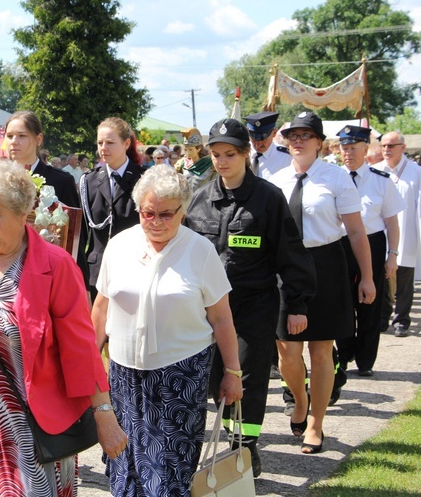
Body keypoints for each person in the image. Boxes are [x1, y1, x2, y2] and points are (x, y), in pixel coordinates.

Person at [0, 160, 127, 496]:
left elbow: (81, 348)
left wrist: (104, 413)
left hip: (37, 428)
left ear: (23, 214)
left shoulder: (55, 265)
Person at [92, 164, 243, 495]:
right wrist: (89, 364)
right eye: (148, 213)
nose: (156, 222)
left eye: (166, 214)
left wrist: (232, 371)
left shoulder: (200, 251)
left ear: (183, 211)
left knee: (169, 471)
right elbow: (101, 309)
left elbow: (221, 318)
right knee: (125, 464)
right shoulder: (119, 246)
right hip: (123, 376)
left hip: (180, 376)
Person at [185, 118, 317, 477]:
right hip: (208, 310)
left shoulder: (268, 198)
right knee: (216, 378)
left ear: (245, 153)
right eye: (215, 154)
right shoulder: (199, 200)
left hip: (254, 304)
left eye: (230, 154)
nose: (222, 161)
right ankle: (232, 432)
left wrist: (297, 304)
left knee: (246, 377)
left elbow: (290, 253)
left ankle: (245, 447)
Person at [270, 112, 375, 455]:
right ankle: (299, 399)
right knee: (286, 349)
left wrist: (368, 277)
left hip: (325, 264)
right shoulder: (275, 179)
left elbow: (357, 232)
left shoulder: (336, 178)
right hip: (285, 267)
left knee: (321, 350)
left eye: (305, 135)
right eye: (292, 135)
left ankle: (316, 421)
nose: (298, 140)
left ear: (318, 142)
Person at [335, 125, 403, 377]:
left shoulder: (380, 181)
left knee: (369, 304)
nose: (348, 153)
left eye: (353, 148)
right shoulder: (333, 177)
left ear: (365, 150)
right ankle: (344, 353)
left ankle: (365, 360)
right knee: (341, 301)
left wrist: (392, 255)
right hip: (340, 245)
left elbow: (391, 221)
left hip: (372, 243)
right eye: (344, 148)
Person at [80, 117, 145, 298]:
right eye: (100, 142)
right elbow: (82, 234)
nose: (103, 148)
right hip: (97, 272)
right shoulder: (89, 181)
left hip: (135, 269)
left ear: (126, 143)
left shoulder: (144, 179)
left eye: (110, 142)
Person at [373, 131, 421, 338]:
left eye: (391, 146)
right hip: (381, 231)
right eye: (383, 146)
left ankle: (401, 319)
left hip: (407, 228)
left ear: (402, 147)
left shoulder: (415, 172)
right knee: (381, 277)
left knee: (404, 278)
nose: (386, 150)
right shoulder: (374, 170)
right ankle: (383, 317)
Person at [4, 111, 80, 209]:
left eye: (22, 135)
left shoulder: (62, 181)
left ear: (39, 139)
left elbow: (73, 221)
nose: (14, 142)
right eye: (9, 136)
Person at [243, 111, 292, 181]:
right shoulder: (241, 153)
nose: (258, 144)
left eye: (263, 139)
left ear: (274, 133)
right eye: (254, 139)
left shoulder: (286, 158)